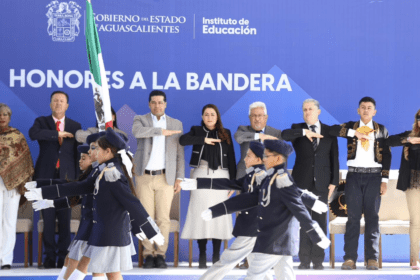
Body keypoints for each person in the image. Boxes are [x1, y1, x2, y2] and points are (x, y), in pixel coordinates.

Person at [25, 128, 164, 280]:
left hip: (110, 233)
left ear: (108, 152)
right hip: (102, 232)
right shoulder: (102, 171)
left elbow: (131, 203)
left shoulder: (112, 173)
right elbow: (78, 187)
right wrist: (43, 190)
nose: (93, 153)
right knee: (104, 271)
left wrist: (150, 230)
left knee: (101, 270)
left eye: (97, 148)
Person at [180, 141, 327, 280]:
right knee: (275, 270)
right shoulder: (258, 175)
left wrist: (311, 204)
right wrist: (200, 186)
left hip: (258, 230)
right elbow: (234, 187)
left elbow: (291, 195)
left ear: (262, 159)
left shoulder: (265, 176)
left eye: (249, 156)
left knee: (240, 266)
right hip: (262, 231)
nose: (245, 159)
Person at [28, 133, 106, 280]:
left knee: (87, 265)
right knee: (74, 261)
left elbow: (70, 187)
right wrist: (49, 199)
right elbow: (75, 197)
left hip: (94, 227)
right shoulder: (90, 175)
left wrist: (42, 188)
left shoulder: (98, 175)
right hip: (87, 226)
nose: (80, 161)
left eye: (84, 157)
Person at [329, 96, 391, 270]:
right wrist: (352, 133)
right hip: (354, 177)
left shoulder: (382, 130)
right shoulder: (351, 126)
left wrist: (384, 180)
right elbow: (331, 130)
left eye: (369, 107)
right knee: (353, 218)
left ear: (374, 111)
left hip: (374, 177)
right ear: (358, 110)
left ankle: (372, 258)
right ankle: (350, 258)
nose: (365, 110)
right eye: (362, 107)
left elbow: (387, 155)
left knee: (372, 217)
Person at [281, 99, 339, 270]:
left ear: (318, 111)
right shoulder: (297, 128)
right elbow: (284, 135)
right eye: (304, 109)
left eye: (310, 109)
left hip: (322, 183)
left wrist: (334, 182)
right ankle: (304, 260)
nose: (307, 112)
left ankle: (318, 260)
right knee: (303, 222)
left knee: (320, 223)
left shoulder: (329, 131)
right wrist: (304, 132)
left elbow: (334, 158)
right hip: (301, 184)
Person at [132, 90, 185, 268]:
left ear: (166, 104)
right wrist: (161, 131)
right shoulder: (140, 120)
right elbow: (137, 132)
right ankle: (148, 254)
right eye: (153, 102)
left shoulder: (176, 123)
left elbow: (179, 154)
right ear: (149, 104)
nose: (157, 105)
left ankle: (160, 254)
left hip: (165, 177)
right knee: (146, 218)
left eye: (160, 102)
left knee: (163, 218)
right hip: (144, 176)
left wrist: (179, 177)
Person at [28, 91, 81, 268]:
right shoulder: (41, 122)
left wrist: (75, 179)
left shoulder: (75, 125)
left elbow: (76, 154)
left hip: (66, 179)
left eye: (62, 101)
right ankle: (49, 257)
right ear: (50, 104)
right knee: (48, 219)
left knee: (65, 220)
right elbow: (34, 134)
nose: (58, 103)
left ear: (67, 105)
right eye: (55, 101)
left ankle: (63, 257)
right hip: (45, 178)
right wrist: (57, 134)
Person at [180, 104, 236, 268]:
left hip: (221, 175)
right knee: (201, 215)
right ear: (202, 117)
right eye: (206, 114)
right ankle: (203, 254)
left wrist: (232, 181)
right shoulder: (196, 130)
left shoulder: (226, 133)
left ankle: (217, 255)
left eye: (212, 114)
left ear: (217, 116)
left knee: (218, 214)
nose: (209, 117)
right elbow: (182, 140)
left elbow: (231, 157)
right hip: (201, 174)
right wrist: (203, 140)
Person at [0, 103, 34, 269]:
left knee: (9, 221)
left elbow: (25, 159)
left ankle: (5, 260)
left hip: (13, 183)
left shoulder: (16, 135)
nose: (2, 117)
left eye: (6, 114)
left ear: (9, 117)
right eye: (0, 114)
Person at [385, 109, 420, 269]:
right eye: (419, 118)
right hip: (413, 184)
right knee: (416, 222)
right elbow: (388, 141)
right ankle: (414, 259)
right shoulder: (410, 135)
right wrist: (408, 140)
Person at [234, 101, 282, 179]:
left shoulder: (275, 133)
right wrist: (259, 136)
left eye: (260, 115)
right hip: (245, 178)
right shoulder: (243, 130)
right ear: (249, 117)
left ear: (265, 117)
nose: (257, 119)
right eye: (254, 116)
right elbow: (238, 137)